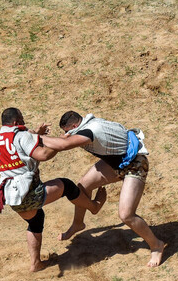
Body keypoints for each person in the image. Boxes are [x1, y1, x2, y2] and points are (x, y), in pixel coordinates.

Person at [41, 111, 166, 267]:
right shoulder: (88, 125)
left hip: (135, 165)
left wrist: (36, 137)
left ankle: (156, 245)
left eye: (67, 132)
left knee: (126, 214)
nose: (66, 135)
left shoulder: (89, 132)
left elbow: (63, 145)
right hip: (116, 162)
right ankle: (78, 224)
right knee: (82, 187)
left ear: (74, 126)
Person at [0, 108, 107, 272]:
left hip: (10, 196)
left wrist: (36, 135)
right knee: (66, 185)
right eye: (22, 120)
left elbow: (18, 152)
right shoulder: (20, 135)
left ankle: (36, 263)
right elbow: (43, 155)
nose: (24, 124)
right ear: (16, 122)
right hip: (27, 193)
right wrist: (59, 142)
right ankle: (93, 207)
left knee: (36, 219)